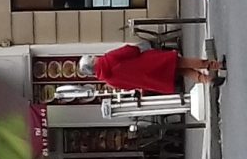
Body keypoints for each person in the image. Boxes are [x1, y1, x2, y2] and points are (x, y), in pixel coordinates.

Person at [78, 44, 224, 91]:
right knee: (182, 62)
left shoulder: (108, 81)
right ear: (92, 61)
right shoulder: (108, 59)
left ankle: (208, 80)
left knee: (182, 71)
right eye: (90, 57)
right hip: (150, 63)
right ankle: (215, 65)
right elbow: (130, 51)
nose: (93, 56)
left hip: (151, 79)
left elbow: (128, 87)